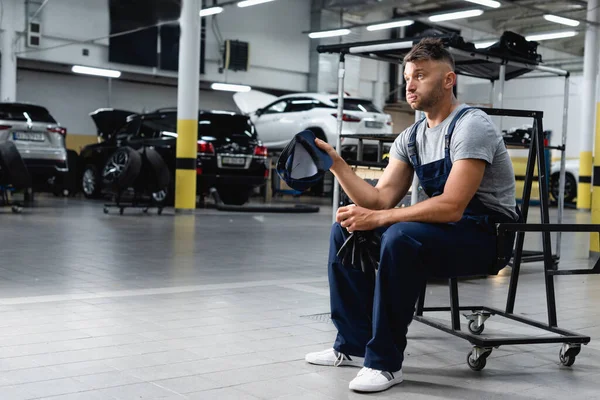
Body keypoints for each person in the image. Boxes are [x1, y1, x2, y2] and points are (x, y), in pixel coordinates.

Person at [305, 37, 518, 393]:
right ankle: (353, 345)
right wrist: (337, 165)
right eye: (407, 77)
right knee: (346, 229)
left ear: (448, 79)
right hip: (444, 231)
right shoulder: (411, 136)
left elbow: (452, 205)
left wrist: (384, 218)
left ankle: (385, 363)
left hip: (485, 237)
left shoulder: (470, 125)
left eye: (420, 75)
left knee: (399, 236)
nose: (410, 84)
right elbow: (379, 199)